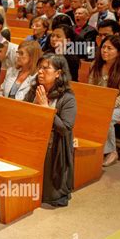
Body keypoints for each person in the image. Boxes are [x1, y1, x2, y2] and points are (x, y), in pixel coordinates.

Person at [24, 54, 77, 207]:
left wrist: (46, 109)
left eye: (46, 68)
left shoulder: (68, 98)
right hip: (31, 135)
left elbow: (65, 129)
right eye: (39, 68)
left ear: (58, 73)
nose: (40, 71)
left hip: (55, 143)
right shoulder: (35, 90)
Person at [88, 35, 120, 167]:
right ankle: (88, 149)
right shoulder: (95, 65)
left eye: (109, 48)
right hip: (101, 106)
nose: (105, 51)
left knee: (107, 116)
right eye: (103, 47)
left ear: (119, 51)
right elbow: (91, 89)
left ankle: (111, 152)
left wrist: (106, 107)